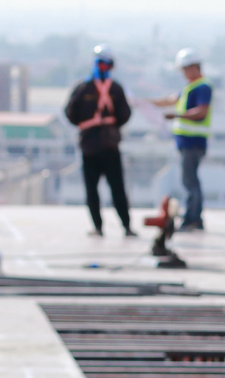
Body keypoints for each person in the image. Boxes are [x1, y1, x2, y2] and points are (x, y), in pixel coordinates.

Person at [65, 44, 135, 237]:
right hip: (97, 146)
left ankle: (121, 226)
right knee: (98, 190)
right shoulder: (89, 88)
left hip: (101, 146)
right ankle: (107, 226)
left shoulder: (91, 88)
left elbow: (71, 114)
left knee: (115, 189)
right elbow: (71, 113)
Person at [151, 48, 212, 231]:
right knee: (189, 180)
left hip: (193, 142)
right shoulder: (190, 88)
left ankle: (193, 218)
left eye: (185, 69)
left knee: (190, 181)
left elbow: (201, 111)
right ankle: (193, 217)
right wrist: (145, 102)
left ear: (194, 67)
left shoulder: (203, 87)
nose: (184, 73)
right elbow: (169, 100)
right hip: (187, 142)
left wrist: (177, 115)